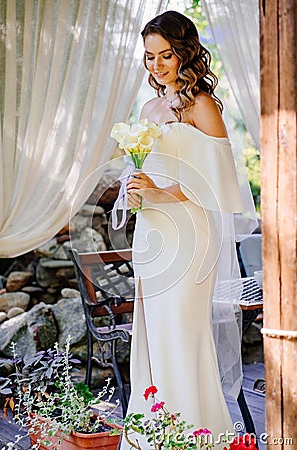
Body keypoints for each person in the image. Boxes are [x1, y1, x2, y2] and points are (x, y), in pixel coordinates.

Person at [120, 10, 245, 450]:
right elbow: (149, 171)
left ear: (185, 52)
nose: (156, 65)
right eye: (149, 56)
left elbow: (217, 183)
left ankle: (193, 435)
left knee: (180, 332)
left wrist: (157, 191)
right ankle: (153, 435)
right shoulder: (150, 107)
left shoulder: (202, 105)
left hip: (190, 235)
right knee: (152, 336)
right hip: (153, 234)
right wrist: (135, 191)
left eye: (166, 55)